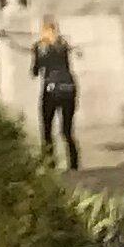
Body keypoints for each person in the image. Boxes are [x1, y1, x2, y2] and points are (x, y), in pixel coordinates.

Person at [32, 14, 80, 170]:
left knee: (47, 129)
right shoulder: (63, 44)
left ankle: (50, 163)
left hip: (51, 89)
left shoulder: (40, 47)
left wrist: (37, 54)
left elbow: (35, 71)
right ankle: (74, 164)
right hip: (68, 88)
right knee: (67, 130)